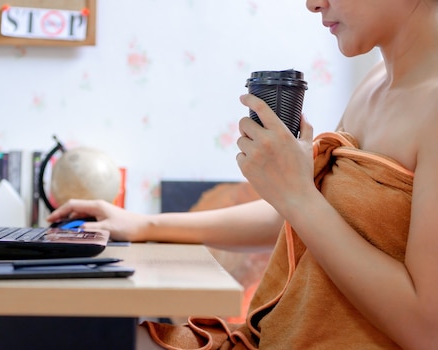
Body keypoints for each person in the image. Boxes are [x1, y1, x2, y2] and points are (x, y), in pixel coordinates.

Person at [47, 0, 438, 348]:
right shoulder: (372, 86)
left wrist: (297, 195)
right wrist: (144, 224)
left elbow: (426, 330)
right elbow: (300, 222)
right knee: (65, 330)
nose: (312, 4)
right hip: (264, 338)